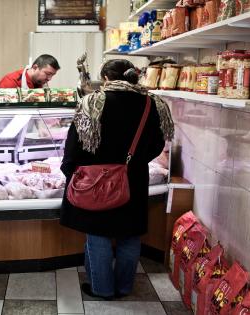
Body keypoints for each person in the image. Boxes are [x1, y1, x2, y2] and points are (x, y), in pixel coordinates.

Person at [60, 59, 173, 300]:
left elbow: (74, 143)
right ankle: (124, 287)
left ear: (107, 78)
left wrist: (71, 172)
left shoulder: (93, 102)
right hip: (133, 178)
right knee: (130, 235)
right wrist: (135, 161)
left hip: (95, 180)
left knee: (98, 234)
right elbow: (157, 144)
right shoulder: (151, 103)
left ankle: (101, 288)